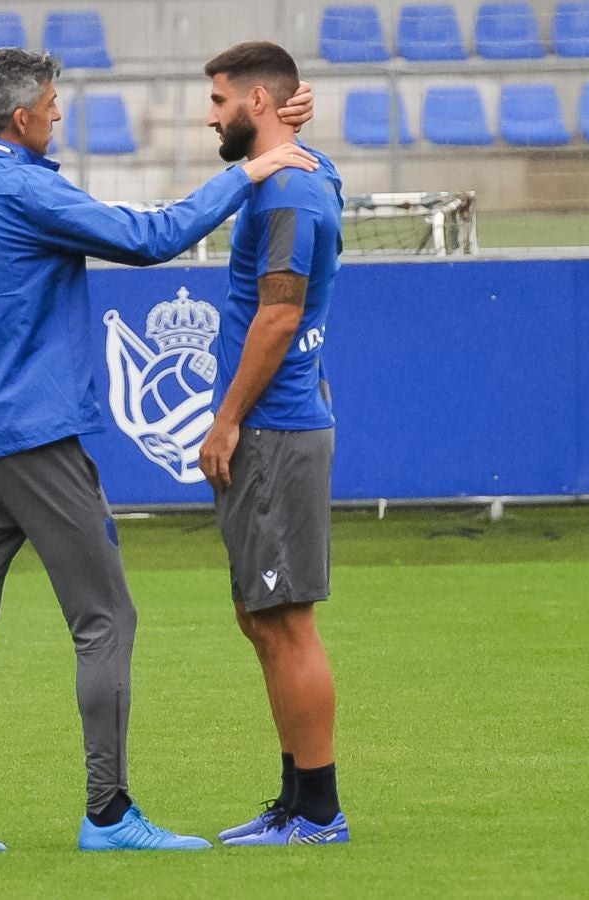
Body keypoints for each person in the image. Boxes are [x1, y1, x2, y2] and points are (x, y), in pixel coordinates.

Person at [0, 47, 317, 855]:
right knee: (105, 619)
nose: (58, 116)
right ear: (21, 119)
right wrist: (252, 171)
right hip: (36, 440)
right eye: (53, 105)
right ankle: (108, 814)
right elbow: (149, 237)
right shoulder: (21, 187)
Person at [196, 42, 348, 847]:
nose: (209, 115)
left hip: (276, 428)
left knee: (285, 621)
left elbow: (281, 315)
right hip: (276, 424)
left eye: (220, 100)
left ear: (257, 101)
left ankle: (318, 812)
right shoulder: (301, 169)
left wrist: (226, 419)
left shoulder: (289, 193)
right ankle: (294, 802)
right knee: (260, 616)